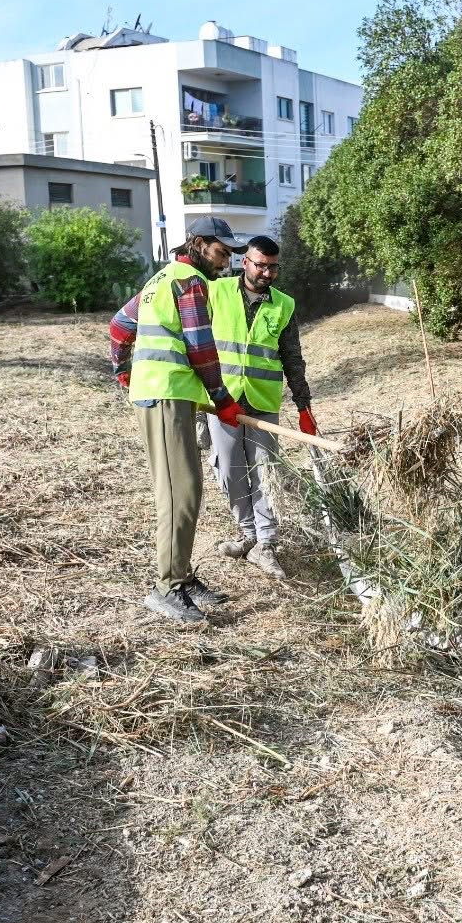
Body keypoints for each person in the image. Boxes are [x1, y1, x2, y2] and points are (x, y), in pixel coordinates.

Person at [108, 216, 248, 624]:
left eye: (229, 255)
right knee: (179, 493)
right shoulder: (189, 282)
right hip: (166, 396)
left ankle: (182, 577)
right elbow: (200, 346)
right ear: (199, 244)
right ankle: (166, 588)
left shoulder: (160, 279)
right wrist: (222, 397)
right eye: (221, 252)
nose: (225, 262)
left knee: (186, 487)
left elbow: (121, 324)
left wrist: (123, 370)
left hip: (169, 394)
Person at [208, 235, 318, 578]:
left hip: (262, 401)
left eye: (273, 267)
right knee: (228, 470)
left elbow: (292, 358)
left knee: (265, 472)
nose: (268, 273)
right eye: (261, 265)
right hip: (222, 400)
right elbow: (197, 343)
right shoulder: (216, 292)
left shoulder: (284, 305)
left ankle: (266, 543)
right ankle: (248, 535)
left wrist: (303, 407)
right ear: (245, 262)